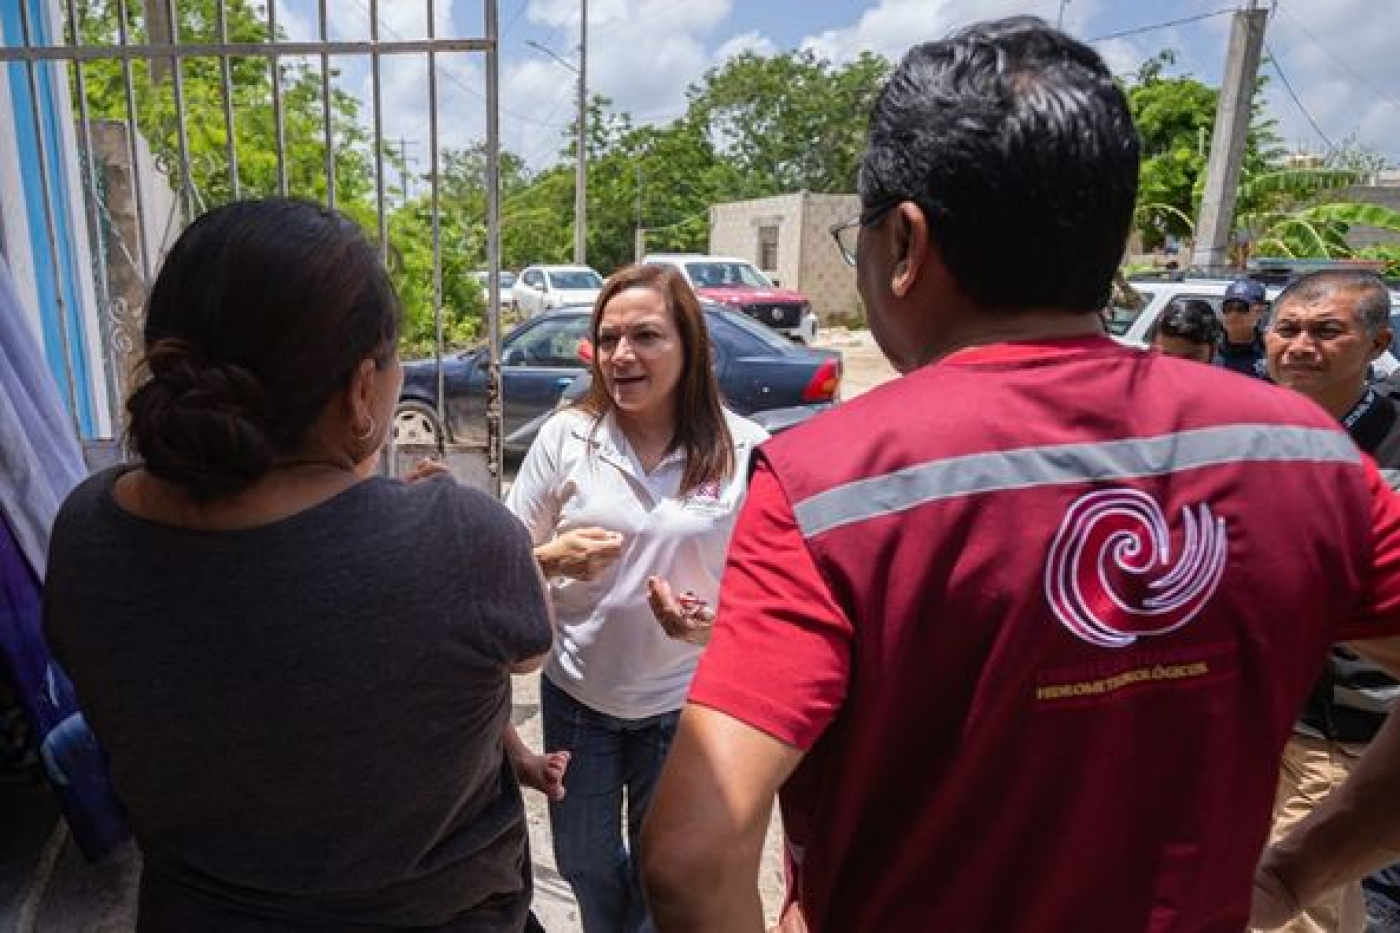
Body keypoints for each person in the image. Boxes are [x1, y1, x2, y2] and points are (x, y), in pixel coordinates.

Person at [639, 17, 1400, 932]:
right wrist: (1298, 868)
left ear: (907, 243)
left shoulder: (832, 483)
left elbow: (692, 853)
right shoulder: (1307, 458)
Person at [42, 198, 555, 932]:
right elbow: (531, 645)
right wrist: (418, 524)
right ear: (358, 392)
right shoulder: (463, 537)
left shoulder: (89, 527)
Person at [505, 263, 768, 932]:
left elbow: (770, 595)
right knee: (585, 861)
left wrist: (710, 627)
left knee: (663, 873)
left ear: (690, 344)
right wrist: (550, 557)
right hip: (579, 700)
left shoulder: (746, 450)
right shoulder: (568, 436)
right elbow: (501, 559)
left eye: (646, 335)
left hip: (684, 707)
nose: (623, 354)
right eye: (609, 336)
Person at [1254, 270, 1400, 933]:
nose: (1301, 345)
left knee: (1287, 904)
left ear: (1378, 343)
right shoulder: (1241, 433)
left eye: (1326, 330)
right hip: (1263, 721)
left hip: (1357, 727)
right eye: (1287, 329)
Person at [1220, 276, 1271, 378]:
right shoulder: (1209, 349)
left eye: (1241, 308)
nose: (1233, 314)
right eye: (1228, 308)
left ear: (1260, 311)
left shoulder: (1270, 352)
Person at [1152, 297, 1223, 363]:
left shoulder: (1226, 373)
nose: (1177, 368)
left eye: (1189, 359)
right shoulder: (1147, 372)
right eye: (1166, 356)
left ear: (1214, 348)